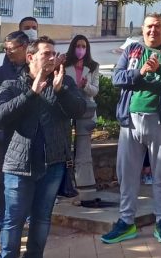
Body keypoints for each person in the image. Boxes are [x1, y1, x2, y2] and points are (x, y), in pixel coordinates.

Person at [0, 36, 86, 258]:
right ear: (30, 57)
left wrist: (61, 91)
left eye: (54, 53)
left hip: (53, 163)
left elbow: (79, 110)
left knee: (42, 218)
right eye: (46, 54)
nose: (52, 58)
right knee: (13, 221)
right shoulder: (12, 84)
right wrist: (30, 94)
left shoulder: (64, 82)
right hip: (19, 166)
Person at [102, 14, 161, 245]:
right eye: (149, 27)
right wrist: (140, 73)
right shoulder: (132, 50)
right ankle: (126, 221)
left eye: (157, 26)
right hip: (130, 121)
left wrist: (160, 69)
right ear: (142, 29)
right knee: (127, 174)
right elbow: (117, 78)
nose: (153, 31)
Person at [0, 30, 29, 232]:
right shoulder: (2, 72)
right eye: (6, 49)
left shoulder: (35, 69)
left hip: (28, 136)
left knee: (28, 178)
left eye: (12, 49)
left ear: (25, 47)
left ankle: (26, 217)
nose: (8, 53)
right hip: (5, 135)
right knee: (2, 180)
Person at [64, 35, 100, 204]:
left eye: (83, 46)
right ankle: (67, 184)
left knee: (83, 148)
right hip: (68, 108)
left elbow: (95, 90)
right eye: (78, 45)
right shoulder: (65, 65)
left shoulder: (93, 66)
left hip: (86, 110)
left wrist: (85, 85)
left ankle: (84, 184)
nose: (81, 49)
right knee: (65, 147)